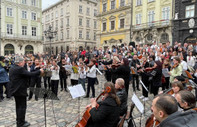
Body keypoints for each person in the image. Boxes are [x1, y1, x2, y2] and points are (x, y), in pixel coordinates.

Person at [9, 57, 44, 127]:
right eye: (23, 62)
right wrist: (39, 71)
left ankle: (19, 120)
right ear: (20, 62)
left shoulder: (12, 68)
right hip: (20, 91)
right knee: (22, 107)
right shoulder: (20, 68)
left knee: (18, 107)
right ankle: (21, 123)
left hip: (15, 90)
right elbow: (30, 74)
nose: (24, 63)